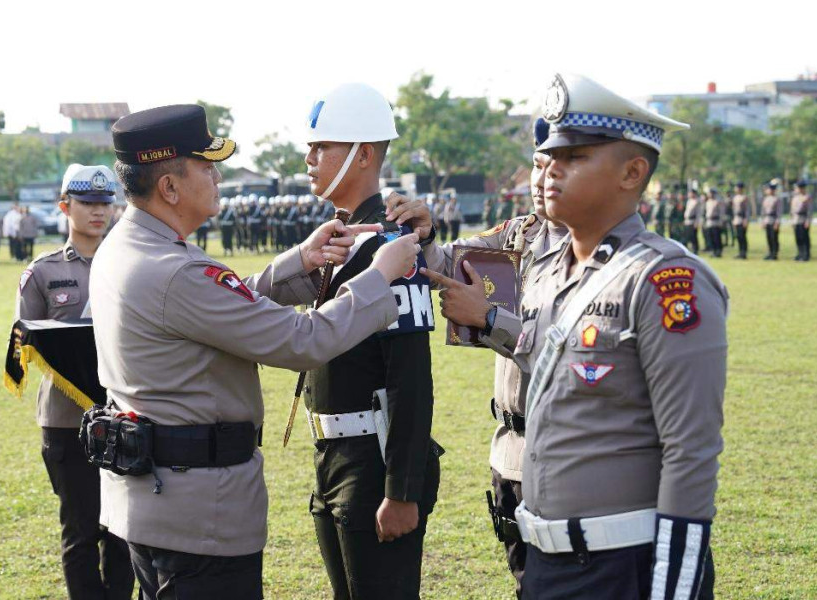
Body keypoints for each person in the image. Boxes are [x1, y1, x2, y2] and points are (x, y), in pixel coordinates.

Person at [90, 103, 420, 600]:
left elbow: (218, 304)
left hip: (153, 502)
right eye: (206, 165)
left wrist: (301, 261)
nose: (218, 175)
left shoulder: (129, 246)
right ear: (170, 187)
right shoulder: (176, 271)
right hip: (197, 519)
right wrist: (379, 277)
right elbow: (301, 340)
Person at [433, 73, 726, 599]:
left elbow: (690, 452)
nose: (550, 171)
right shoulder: (547, 272)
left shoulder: (662, 280)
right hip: (548, 560)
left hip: (623, 566)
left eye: (574, 157)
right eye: (547, 156)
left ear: (633, 173)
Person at [385, 117, 570, 598]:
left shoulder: (596, 256)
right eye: (535, 164)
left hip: (564, 451)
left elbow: (570, 350)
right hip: (511, 452)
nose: (540, 178)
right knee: (527, 580)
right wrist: (424, 237)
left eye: (554, 166)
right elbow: (450, 264)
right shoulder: (521, 234)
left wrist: (489, 320)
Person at [300, 83, 441, 600]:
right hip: (334, 455)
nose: (310, 159)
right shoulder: (340, 238)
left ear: (363, 154)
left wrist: (401, 491)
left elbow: (411, 377)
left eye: (323, 147)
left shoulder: (393, 246)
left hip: (375, 460)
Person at [15, 164, 135, 599]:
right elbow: (23, 339)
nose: (98, 212)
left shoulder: (129, 266)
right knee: (81, 531)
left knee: (123, 530)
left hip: (124, 414)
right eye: (86, 203)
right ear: (65, 207)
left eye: (105, 203)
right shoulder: (42, 274)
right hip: (67, 422)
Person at [791, 181, 812, 261]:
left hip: (803, 219)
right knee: (798, 238)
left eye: (797, 188)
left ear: (801, 188)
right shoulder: (795, 198)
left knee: (804, 238)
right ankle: (800, 253)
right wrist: (792, 220)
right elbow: (792, 210)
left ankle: (806, 255)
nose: (796, 189)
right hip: (796, 220)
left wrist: (808, 221)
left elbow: (809, 210)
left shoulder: (807, 197)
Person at [761, 183, 782, 260]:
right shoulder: (765, 199)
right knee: (768, 237)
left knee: (774, 238)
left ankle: (774, 253)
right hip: (767, 220)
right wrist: (763, 221)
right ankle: (770, 253)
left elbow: (779, 212)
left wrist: (777, 222)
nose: (766, 190)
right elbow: (763, 212)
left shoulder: (777, 199)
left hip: (773, 220)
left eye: (768, 189)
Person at [731, 182, 751, 259]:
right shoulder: (735, 198)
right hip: (736, 219)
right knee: (738, 236)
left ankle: (744, 252)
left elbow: (747, 210)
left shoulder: (744, 198)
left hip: (742, 219)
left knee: (743, 236)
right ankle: (740, 252)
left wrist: (746, 220)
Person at [704, 188, 724, 258]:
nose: (709, 195)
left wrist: (721, 222)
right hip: (709, 221)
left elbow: (721, 213)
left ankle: (718, 251)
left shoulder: (718, 202)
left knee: (717, 237)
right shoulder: (708, 202)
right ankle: (713, 251)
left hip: (716, 221)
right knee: (711, 237)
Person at [683, 189, 703, 253]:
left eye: (690, 193)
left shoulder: (697, 201)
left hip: (693, 221)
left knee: (693, 236)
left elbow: (698, 213)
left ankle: (695, 249)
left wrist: (697, 222)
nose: (689, 194)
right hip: (687, 221)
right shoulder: (689, 201)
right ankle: (690, 248)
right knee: (688, 236)